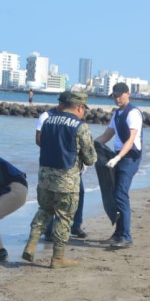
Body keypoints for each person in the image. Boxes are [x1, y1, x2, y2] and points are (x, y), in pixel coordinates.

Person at [23, 91, 96, 267]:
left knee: (44, 210)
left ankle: (31, 245)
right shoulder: (80, 126)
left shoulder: (48, 121)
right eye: (83, 109)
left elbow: (40, 142)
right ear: (79, 107)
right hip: (67, 180)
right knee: (64, 218)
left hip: (45, 177)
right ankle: (57, 258)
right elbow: (90, 158)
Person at [94, 82, 143, 248]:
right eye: (114, 96)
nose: (116, 98)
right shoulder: (117, 114)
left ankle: (126, 236)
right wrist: (91, 145)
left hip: (130, 157)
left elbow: (131, 140)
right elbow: (107, 135)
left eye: (119, 95)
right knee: (114, 194)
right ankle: (118, 234)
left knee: (121, 194)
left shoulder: (133, 113)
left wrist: (118, 158)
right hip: (118, 156)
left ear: (128, 93)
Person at [36, 92, 87, 239]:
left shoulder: (76, 118)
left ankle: (76, 226)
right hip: (52, 163)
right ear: (61, 105)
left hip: (72, 164)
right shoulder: (46, 117)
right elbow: (39, 140)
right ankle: (49, 230)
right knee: (50, 198)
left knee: (79, 193)